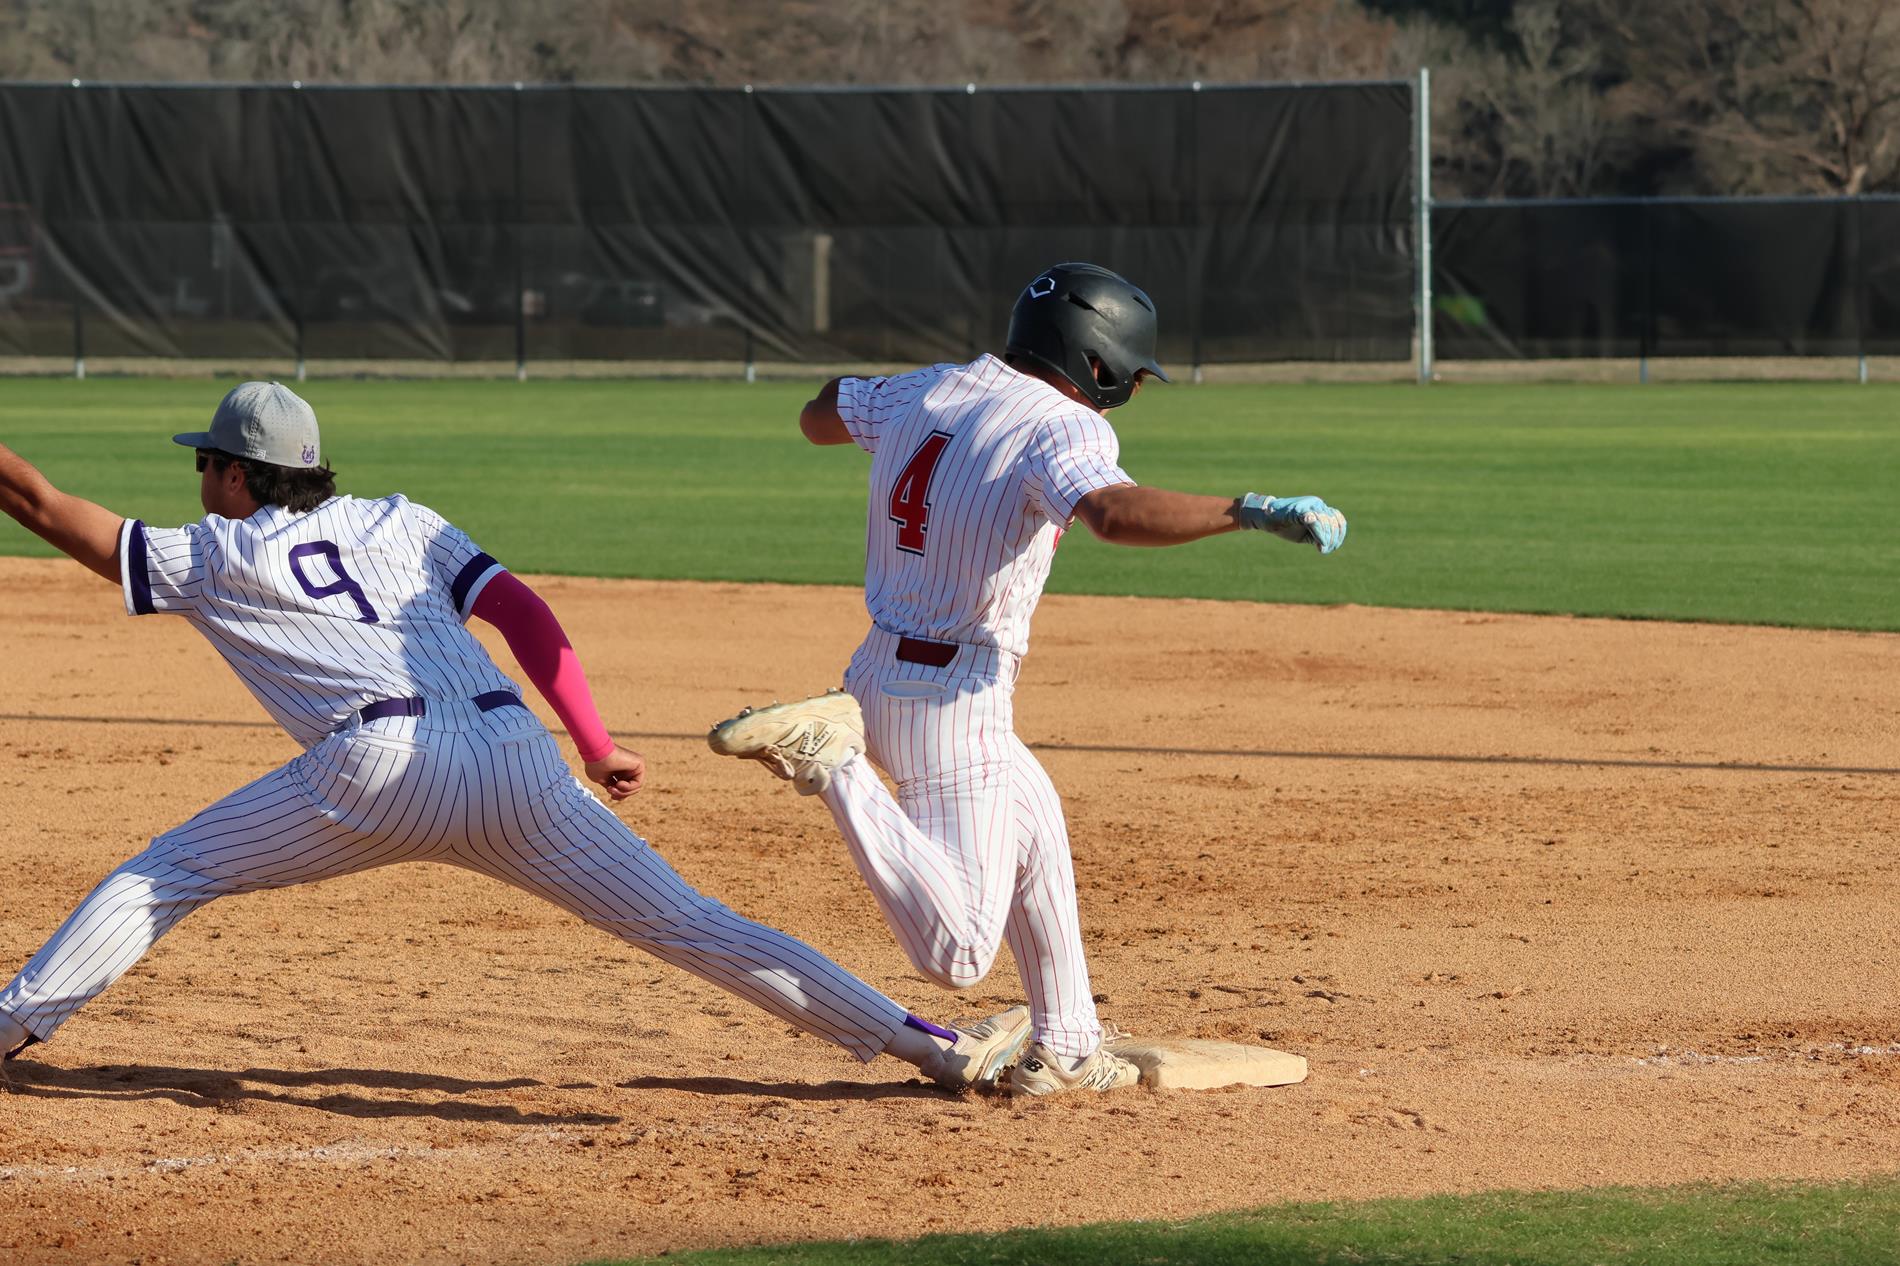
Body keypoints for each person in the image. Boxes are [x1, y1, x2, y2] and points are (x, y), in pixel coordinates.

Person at [0, 381, 1031, 1092]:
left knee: (167, 871)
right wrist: (591, 737)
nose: (202, 483)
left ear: (234, 474)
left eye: (206, 466)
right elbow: (523, 613)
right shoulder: (402, 519)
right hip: (515, 758)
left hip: (378, 769)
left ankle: (13, 1024)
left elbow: (44, 506)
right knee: (692, 923)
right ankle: (936, 1051)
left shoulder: (217, 552)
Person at [708, 262, 1347, 1095]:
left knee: (1037, 827)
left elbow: (819, 414)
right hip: (954, 697)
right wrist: (1244, 510)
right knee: (960, 951)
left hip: (878, 670)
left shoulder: (934, 388)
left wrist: (889, 398)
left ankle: (1068, 1046)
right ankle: (829, 761)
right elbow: (1113, 514)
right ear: (1099, 365)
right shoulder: (1064, 426)